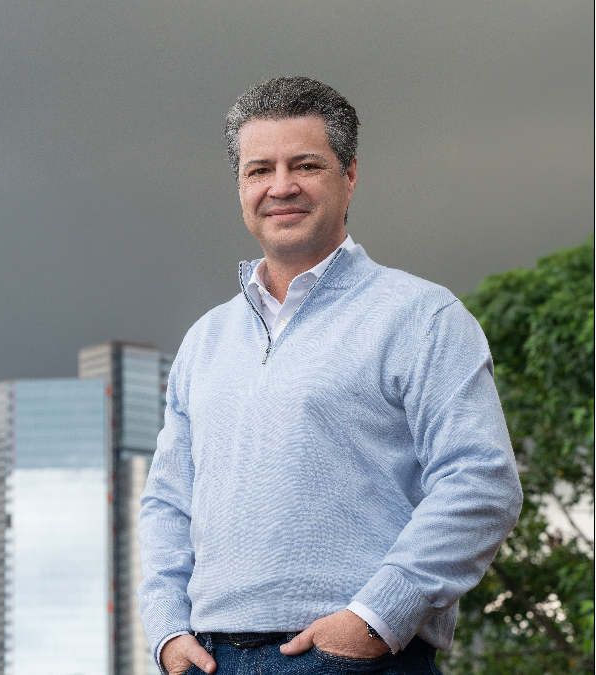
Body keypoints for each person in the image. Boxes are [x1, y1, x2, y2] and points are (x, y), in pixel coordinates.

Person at [136, 76, 522, 675]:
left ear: (350, 175)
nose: (280, 186)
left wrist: (376, 618)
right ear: (240, 186)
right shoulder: (204, 341)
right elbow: (167, 503)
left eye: (306, 165)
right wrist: (166, 630)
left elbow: (481, 481)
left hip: (357, 657)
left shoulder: (422, 317)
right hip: (208, 660)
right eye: (259, 170)